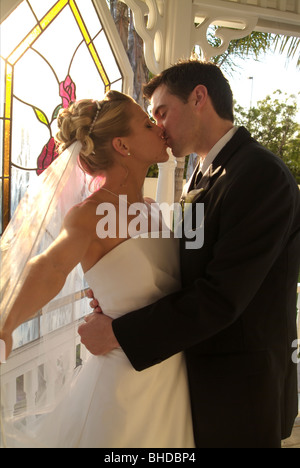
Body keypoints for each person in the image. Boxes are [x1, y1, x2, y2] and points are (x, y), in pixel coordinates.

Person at [79, 60, 300, 448]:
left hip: (240, 393)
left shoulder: (260, 174)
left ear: (199, 97)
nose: (158, 126)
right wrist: (120, 291)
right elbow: (185, 265)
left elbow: (220, 297)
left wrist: (118, 332)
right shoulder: (202, 173)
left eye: (162, 112)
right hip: (190, 383)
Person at [0, 90, 195, 448]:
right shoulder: (90, 214)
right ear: (123, 145)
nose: (160, 129)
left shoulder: (151, 209)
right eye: (147, 123)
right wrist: (6, 324)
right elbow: (52, 266)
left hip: (171, 379)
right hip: (123, 389)